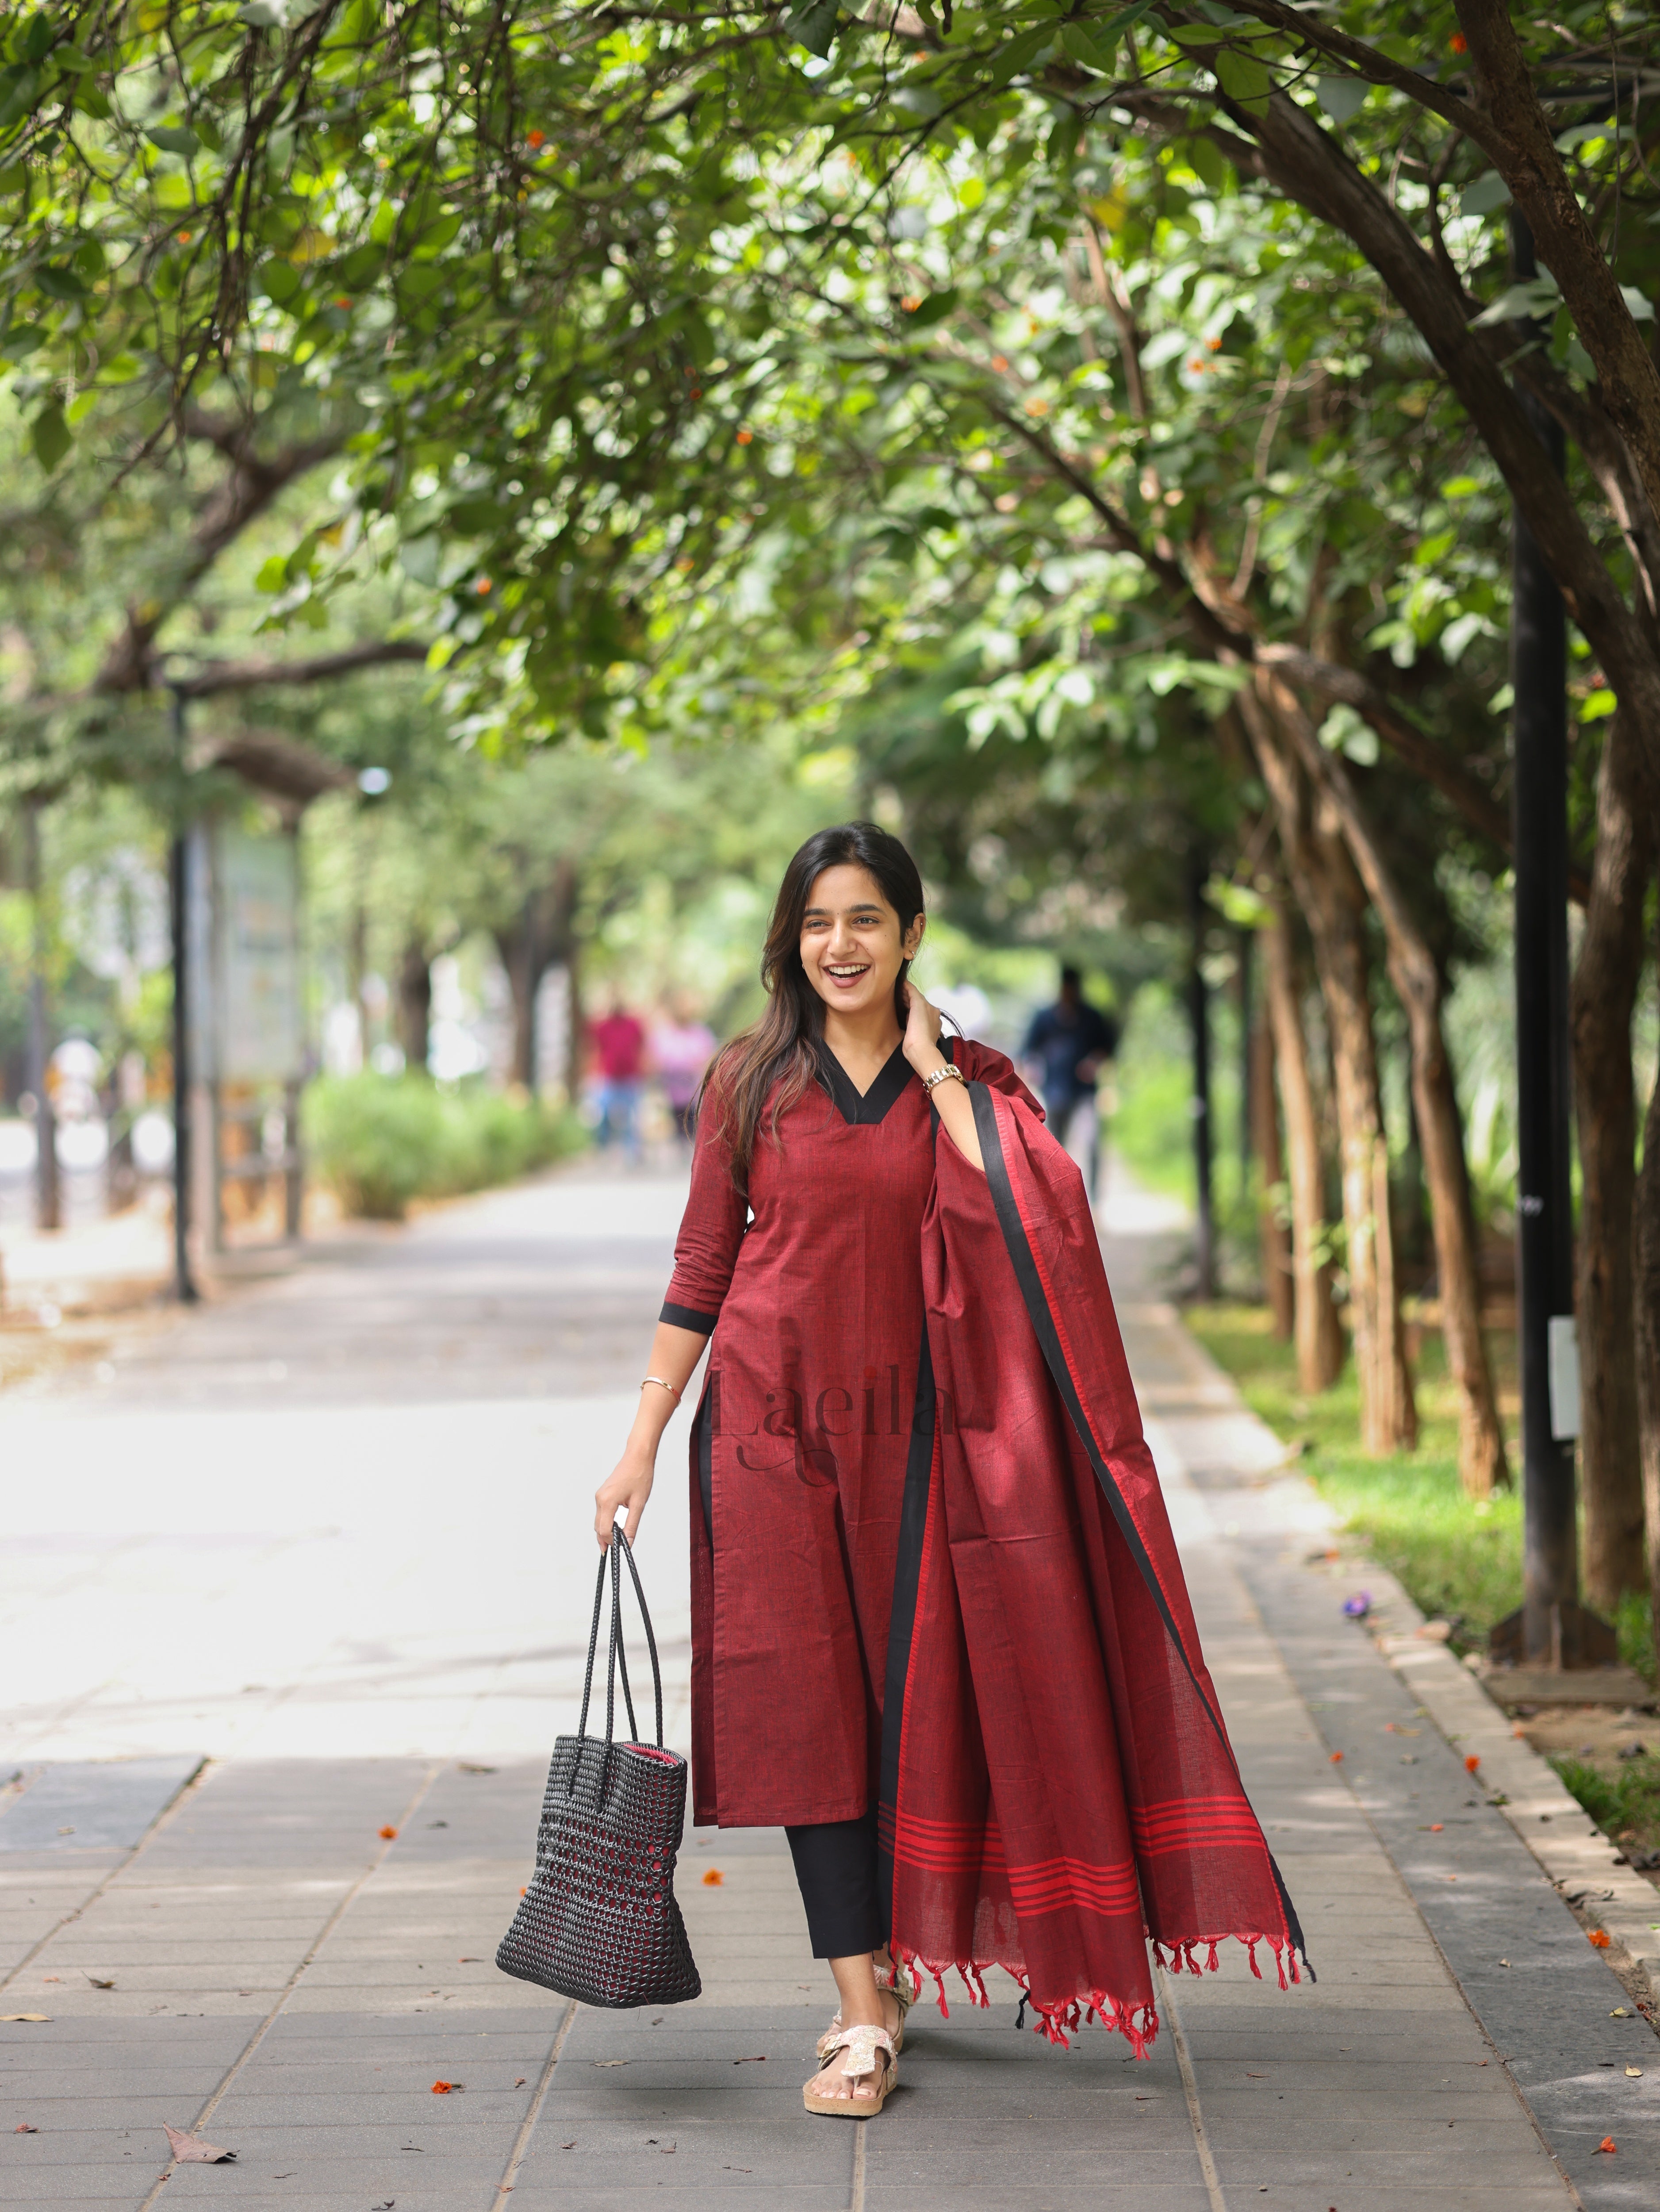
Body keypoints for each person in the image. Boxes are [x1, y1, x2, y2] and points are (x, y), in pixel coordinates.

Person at [594, 823, 1303, 2122]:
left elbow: (1045, 1210)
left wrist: (934, 1069)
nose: (839, 945)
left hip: (929, 1447)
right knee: (811, 1722)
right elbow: (702, 1265)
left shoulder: (969, 1083)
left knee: (913, 1712)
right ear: (789, 939)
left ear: (912, 934)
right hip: (773, 1438)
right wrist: (643, 1437)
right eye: (817, 921)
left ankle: (898, 1968)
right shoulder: (750, 1079)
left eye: (867, 918)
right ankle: (862, 2011)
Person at [1021, 964, 1119, 1195]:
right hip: (1055, 1091)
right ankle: (1057, 1196)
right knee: (1054, 1148)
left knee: (1092, 1142)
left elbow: (1107, 1048)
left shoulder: (1092, 1017)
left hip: (1085, 1092)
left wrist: (1094, 1062)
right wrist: (1033, 1069)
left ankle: (1093, 1199)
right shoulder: (1045, 1017)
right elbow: (1028, 1051)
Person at [649, 995, 718, 1148]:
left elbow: (708, 1058)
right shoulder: (665, 1034)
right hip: (672, 1089)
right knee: (677, 1119)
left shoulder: (700, 1033)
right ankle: (681, 1146)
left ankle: (691, 1147)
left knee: (692, 1120)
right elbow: (658, 1059)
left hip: (693, 1089)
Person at [588, 997, 647, 1164]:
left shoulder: (634, 1025)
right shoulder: (602, 1026)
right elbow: (595, 1047)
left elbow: (641, 1047)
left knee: (633, 1116)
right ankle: (603, 1146)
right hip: (609, 1077)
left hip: (630, 1077)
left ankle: (633, 1151)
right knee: (603, 1113)